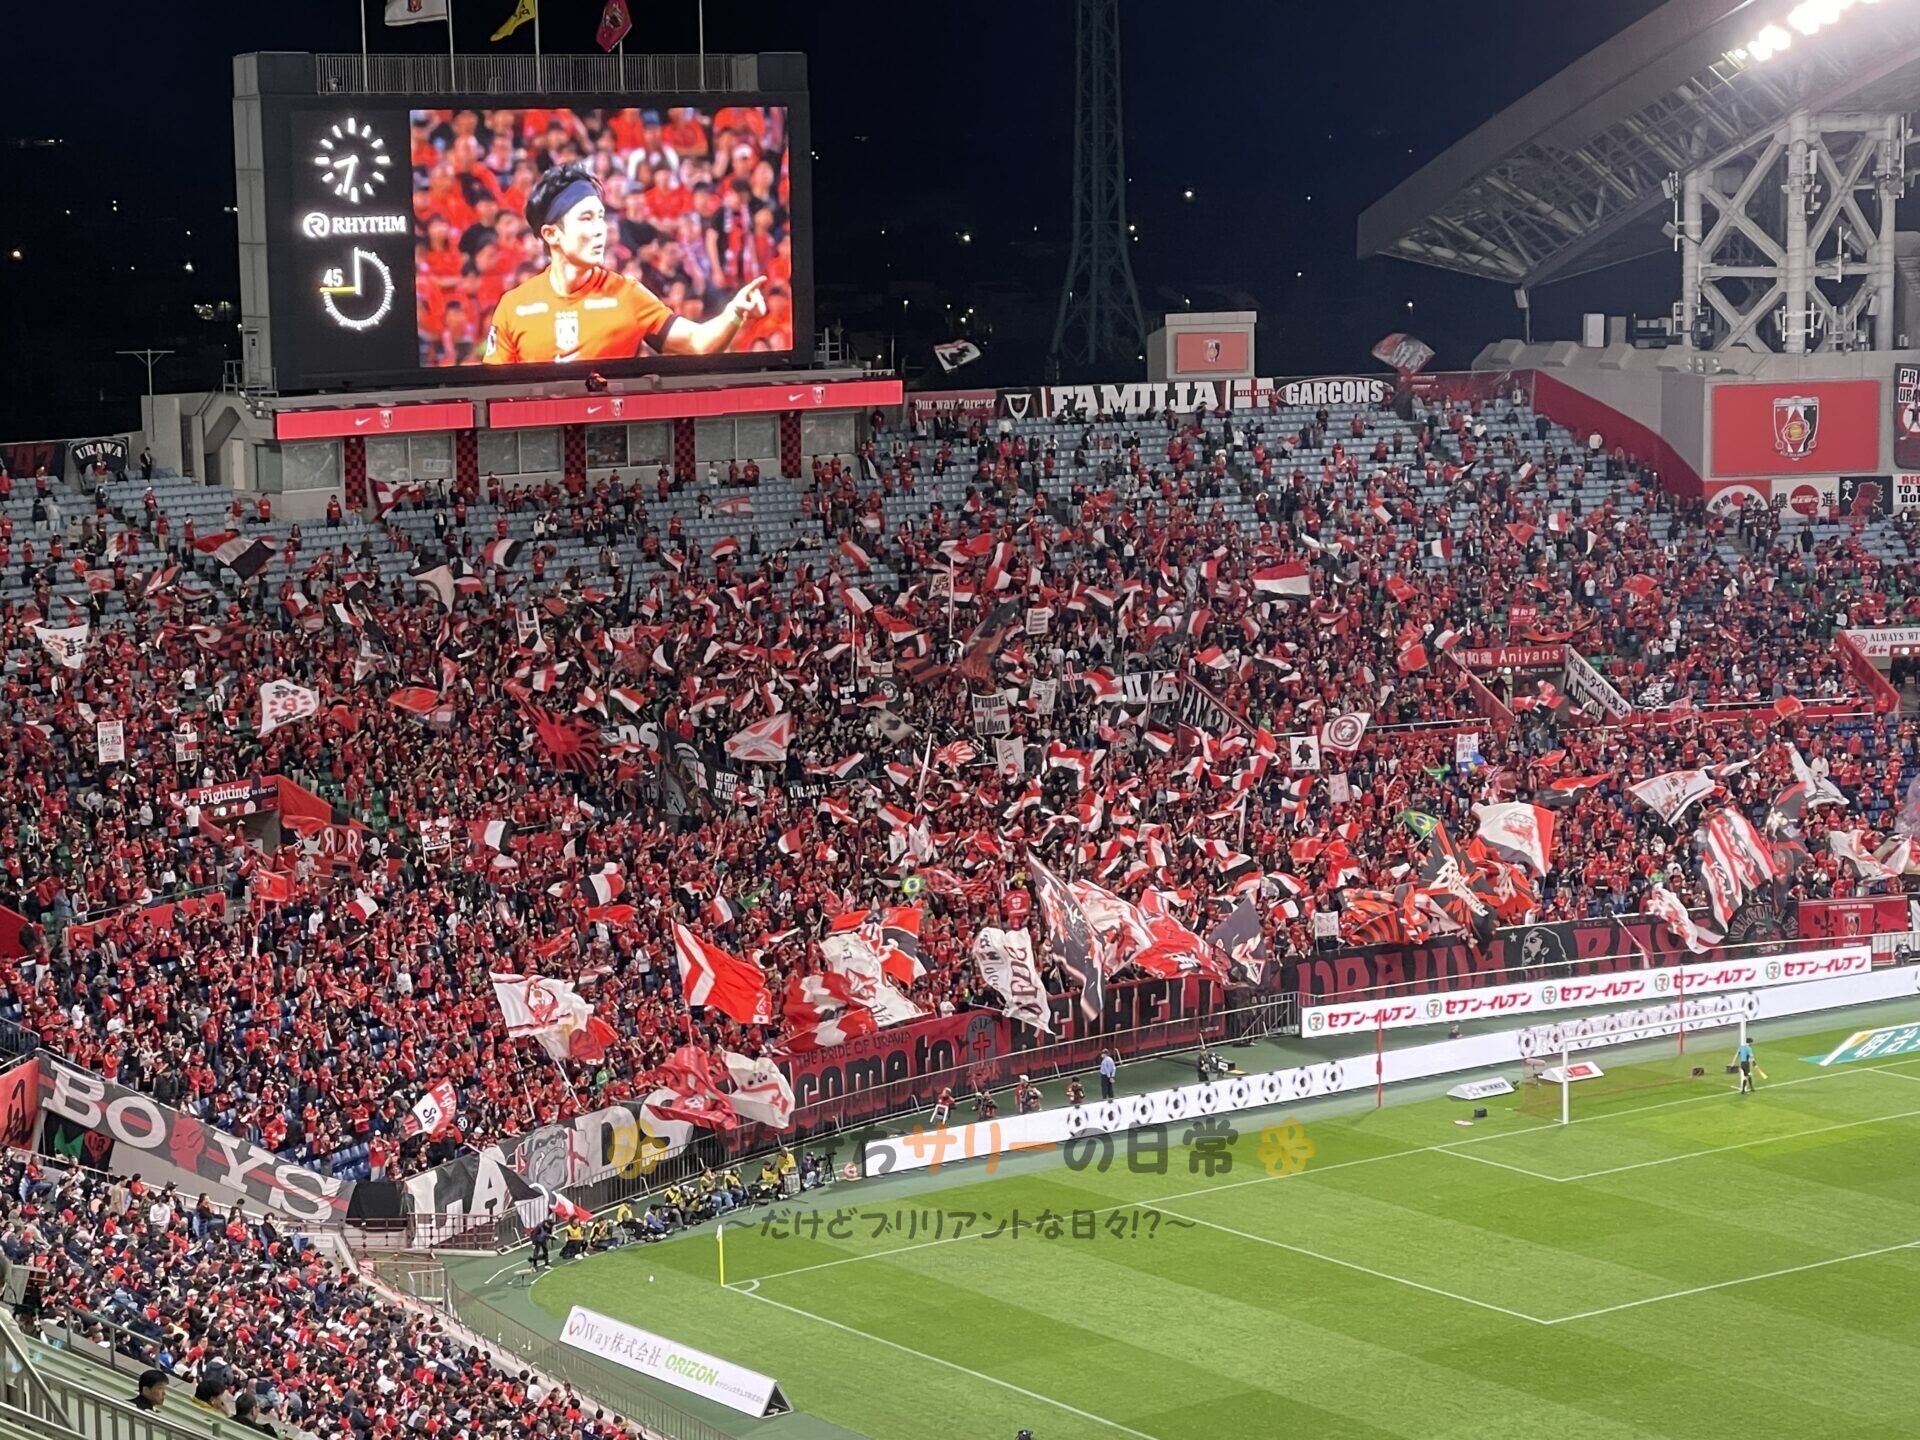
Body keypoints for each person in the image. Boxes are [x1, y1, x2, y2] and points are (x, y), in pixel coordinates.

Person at [483, 162, 766, 364]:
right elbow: (495, 395)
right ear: (551, 234)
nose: (600, 229)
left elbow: (697, 343)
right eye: (586, 218)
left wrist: (734, 312)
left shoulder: (628, 294)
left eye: (601, 217)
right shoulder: (513, 307)